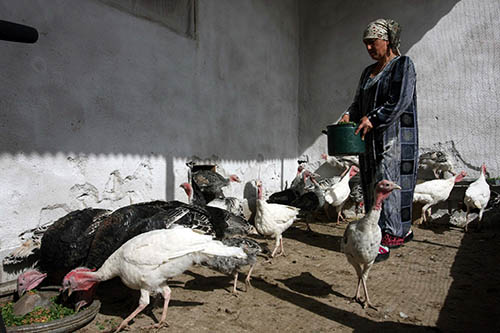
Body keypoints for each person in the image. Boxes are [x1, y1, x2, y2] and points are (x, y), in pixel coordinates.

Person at [340, 18, 418, 261]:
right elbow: (357, 102)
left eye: (372, 43)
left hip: (394, 139)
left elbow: (400, 99)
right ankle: (377, 232)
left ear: (387, 41)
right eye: (366, 44)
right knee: (370, 183)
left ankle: (392, 234)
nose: (369, 49)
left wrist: (374, 117)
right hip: (369, 140)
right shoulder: (367, 73)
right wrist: (347, 114)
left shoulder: (402, 65)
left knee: (388, 182)